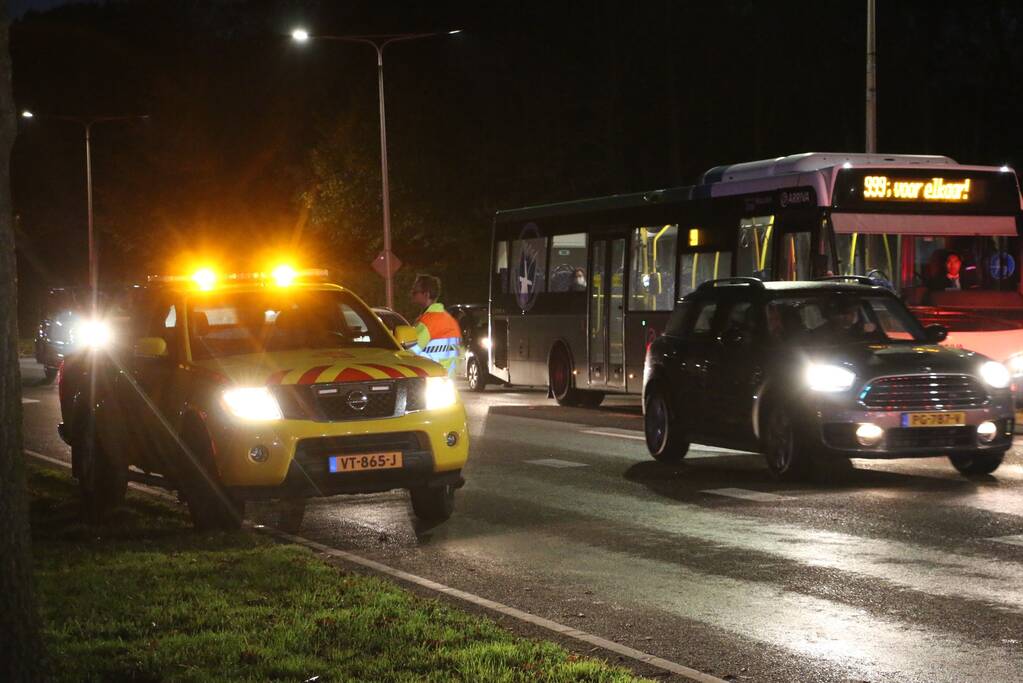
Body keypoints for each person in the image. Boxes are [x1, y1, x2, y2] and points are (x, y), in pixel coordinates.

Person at [409, 274, 462, 377]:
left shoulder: (428, 321)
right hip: (447, 376)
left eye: (415, 292)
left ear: (426, 294)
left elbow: (410, 351)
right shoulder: (449, 319)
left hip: (431, 376)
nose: (412, 294)